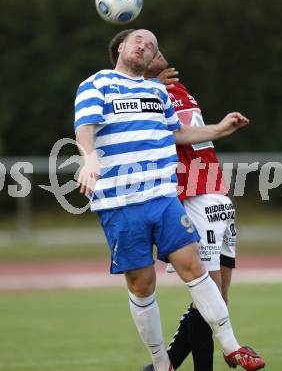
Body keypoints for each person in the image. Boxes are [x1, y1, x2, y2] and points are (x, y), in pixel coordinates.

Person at [74, 28, 265, 371]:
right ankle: (161, 364)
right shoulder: (96, 84)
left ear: (152, 60)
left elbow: (177, 133)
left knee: (194, 267)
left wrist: (220, 129)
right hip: (121, 203)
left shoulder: (156, 91)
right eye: (138, 41)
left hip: (163, 196)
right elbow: (84, 128)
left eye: (152, 46)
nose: (145, 46)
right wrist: (89, 158)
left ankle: (233, 347)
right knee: (142, 284)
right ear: (120, 47)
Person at [140, 51, 238, 371]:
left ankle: (160, 368)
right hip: (193, 195)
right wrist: (148, 86)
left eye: (154, 46)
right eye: (146, 48)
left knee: (218, 298)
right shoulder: (146, 94)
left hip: (214, 190)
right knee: (206, 294)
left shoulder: (176, 89)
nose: (155, 50)